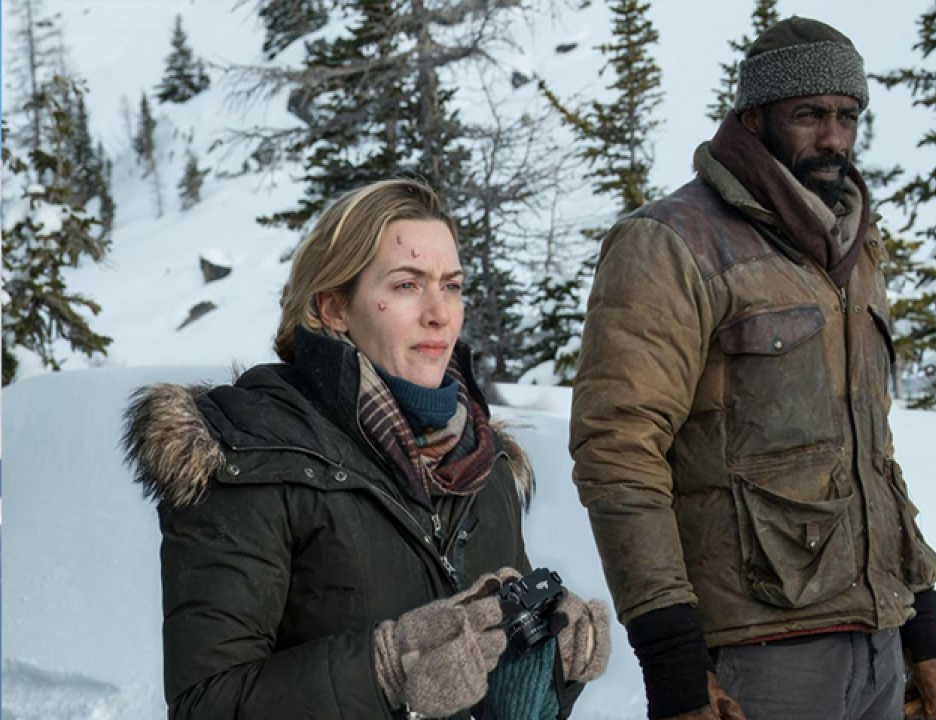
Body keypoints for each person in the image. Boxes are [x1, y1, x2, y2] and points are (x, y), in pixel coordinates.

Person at [569, 17, 936, 720]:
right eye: (809, 115)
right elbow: (618, 452)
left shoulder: (854, 251)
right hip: (760, 656)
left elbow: (871, 455)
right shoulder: (669, 242)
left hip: (877, 646)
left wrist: (920, 621)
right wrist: (673, 660)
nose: (834, 138)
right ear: (755, 117)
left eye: (847, 116)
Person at [123, 178, 610, 719]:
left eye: (451, 286)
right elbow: (206, 705)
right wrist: (386, 671)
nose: (440, 313)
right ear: (333, 307)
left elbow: (486, 695)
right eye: (407, 285)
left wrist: (550, 667)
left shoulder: (483, 463)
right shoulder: (250, 455)